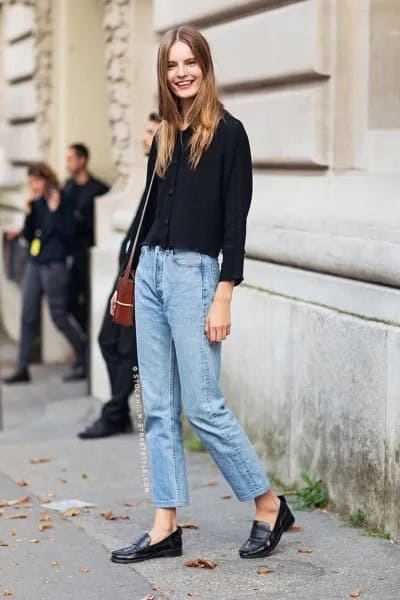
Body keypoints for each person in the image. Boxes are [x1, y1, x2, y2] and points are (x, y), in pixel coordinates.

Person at [109, 25, 295, 564]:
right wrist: (132, 270)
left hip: (195, 278)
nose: (181, 72)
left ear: (206, 68)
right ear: (164, 74)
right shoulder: (166, 132)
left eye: (190, 62)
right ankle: (165, 524)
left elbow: (235, 224)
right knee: (160, 408)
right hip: (150, 275)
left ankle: (267, 503)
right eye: (172, 65)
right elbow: (149, 212)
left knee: (205, 405)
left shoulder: (230, 134)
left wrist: (224, 294)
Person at [77, 112, 162, 439]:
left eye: (150, 132)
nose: (144, 137)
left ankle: (114, 413)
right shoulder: (151, 173)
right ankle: (118, 411)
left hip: (138, 275)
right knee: (107, 339)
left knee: (126, 347)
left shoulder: (164, 176)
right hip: (126, 273)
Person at [2, 163, 87, 384]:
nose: (34, 186)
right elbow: (31, 237)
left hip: (55, 265)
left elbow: (67, 234)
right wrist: (29, 213)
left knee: (59, 316)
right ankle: (22, 368)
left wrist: (54, 211)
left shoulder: (63, 199)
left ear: (47, 179)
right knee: (27, 315)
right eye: (31, 182)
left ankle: (84, 356)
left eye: (36, 181)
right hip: (35, 264)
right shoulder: (37, 203)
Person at [62, 144, 109, 380]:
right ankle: (85, 345)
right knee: (69, 303)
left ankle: (89, 356)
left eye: (71, 158)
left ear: (83, 160)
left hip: (89, 255)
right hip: (71, 255)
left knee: (91, 304)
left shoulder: (98, 189)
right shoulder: (68, 188)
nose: (68, 163)